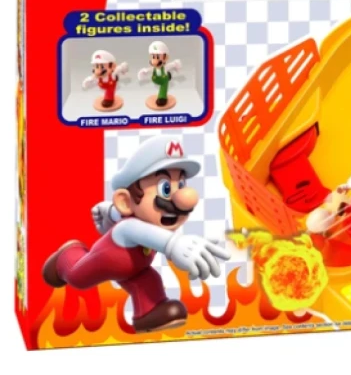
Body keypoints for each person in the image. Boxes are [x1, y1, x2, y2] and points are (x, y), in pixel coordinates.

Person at [42, 135, 230, 333]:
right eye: (165, 188)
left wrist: (110, 211)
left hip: (135, 268)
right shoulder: (129, 228)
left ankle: (149, 312)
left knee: (149, 280)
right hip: (104, 262)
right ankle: (67, 256)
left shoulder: (146, 222)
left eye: (181, 185)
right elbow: (149, 234)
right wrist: (175, 245)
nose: (183, 199)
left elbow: (126, 215)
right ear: (125, 201)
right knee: (78, 278)